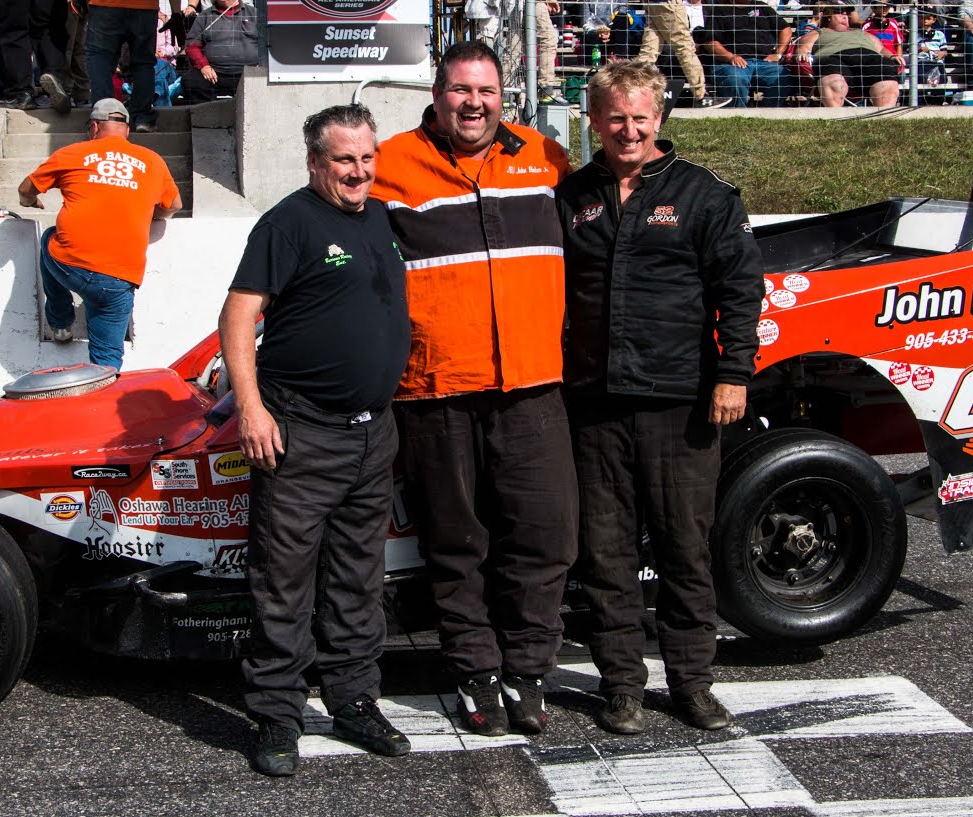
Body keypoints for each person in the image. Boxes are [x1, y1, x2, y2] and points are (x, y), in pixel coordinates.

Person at [370, 40, 578, 739]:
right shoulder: (390, 164)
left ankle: (528, 671)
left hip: (533, 383)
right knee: (457, 542)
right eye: (460, 90)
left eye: (485, 91)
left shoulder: (545, 158)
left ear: (503, 95)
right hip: (435, 387)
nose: (473, 103)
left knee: (544, 538)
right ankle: (476, 673)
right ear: (437, 95)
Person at [555, 59, 763, 734]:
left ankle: (693, 684)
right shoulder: (573, 195)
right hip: (593, 402)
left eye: (640, 117)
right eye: (615, 117)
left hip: (681, 401)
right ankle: (621, 685)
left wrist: (733, 372)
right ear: (593, 120)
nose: (628, 129)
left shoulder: (704, 195)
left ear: (659, 119)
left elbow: (739, 289)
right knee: (606, 552)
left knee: (683, 548)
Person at [220, 103, 413, 777]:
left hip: (372, 434)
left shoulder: (383, 218)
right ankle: (276, 715)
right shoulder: (289, 223)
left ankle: (355, 701)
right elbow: (239, 314)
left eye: (367, 158)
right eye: (344, 160)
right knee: (284, 581)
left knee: (359, 580)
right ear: (314, 163)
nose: (358, 172)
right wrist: (251, 408)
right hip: (300, 432)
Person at [17, 97, 182, 368]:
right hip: (120, 277)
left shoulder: (72, 153)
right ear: (127, 131)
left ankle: (60, 323)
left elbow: (25, 190)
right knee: (107, 361)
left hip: (72, 264)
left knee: (49, 238)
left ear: (94, 127)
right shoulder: (152, 161)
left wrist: (29, 202)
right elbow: (174, 205)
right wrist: (151, 213)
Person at [87, 0, 181, 131]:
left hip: (105, 5)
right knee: (144, 63)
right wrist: (176, 12)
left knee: (100, 58)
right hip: (145, 7)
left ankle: (104, 116)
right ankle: (142, 118)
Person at [793, 4, 904, 107]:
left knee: (886, 68)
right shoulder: (819, 32)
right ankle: (836, 119)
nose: (845, 16)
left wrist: (892, 57)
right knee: (833, 78)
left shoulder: (861, 32)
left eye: (847, 13)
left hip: (868, 58)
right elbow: (803, 47)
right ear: (829, 17)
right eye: (840, 13)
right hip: (834, 58)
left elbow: (881, 49)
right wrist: (801, 53)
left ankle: (883, 120)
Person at [701, 0, 797, 108]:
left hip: (764, 63)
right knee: (735, 79)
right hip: (731, 64)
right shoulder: (720, 10)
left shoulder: (761, 7)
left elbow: (786, 29)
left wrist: (778, 54)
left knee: (784, 78)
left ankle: (767, 116)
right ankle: (738, 117)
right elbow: (710, 43)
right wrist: (730, 57)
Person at [637, 0, 720, 107]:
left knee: (649, 51)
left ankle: (631, 89)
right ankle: (701, 95)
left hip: (652, 3)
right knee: (684, 47)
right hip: (669, 4)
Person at [180, 0, 256, 104]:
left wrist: (262, 65)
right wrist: (203, 66)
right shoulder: (205, 16)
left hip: (249, 73)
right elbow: (192, 46)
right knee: (191, 81)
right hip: (215, 73)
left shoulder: (254, 14)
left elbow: (268, 42)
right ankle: (206, 118)